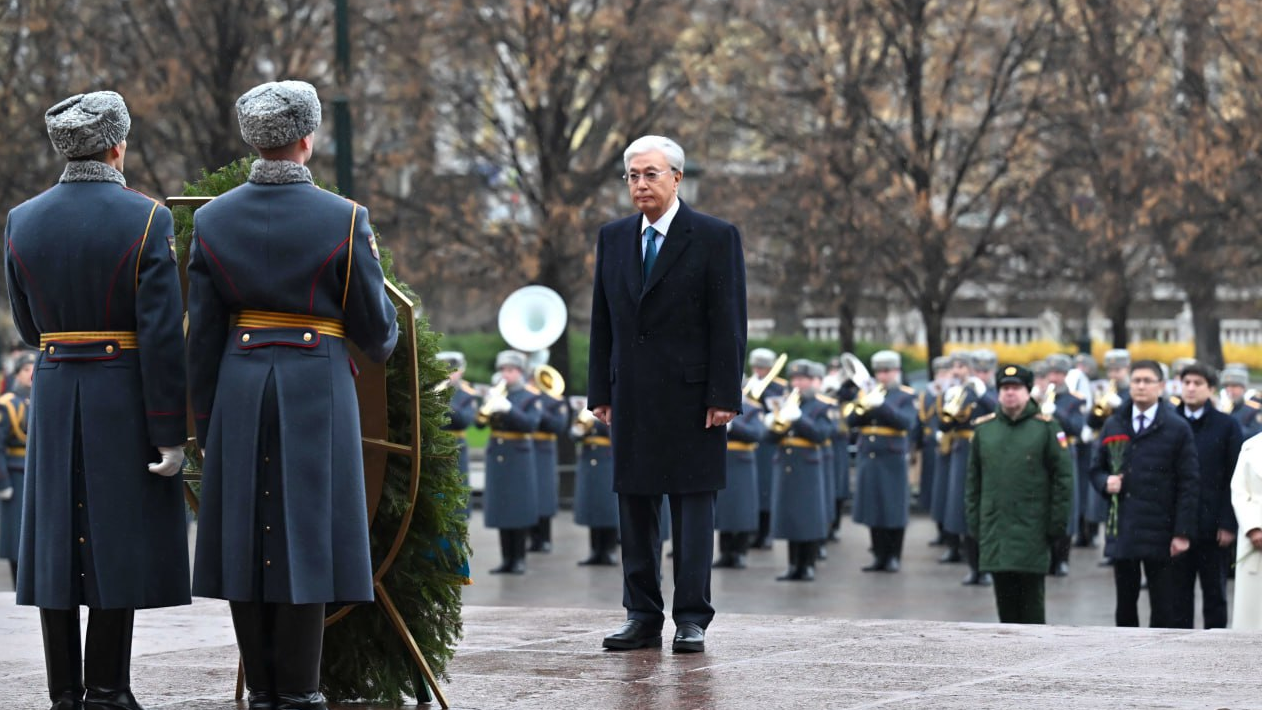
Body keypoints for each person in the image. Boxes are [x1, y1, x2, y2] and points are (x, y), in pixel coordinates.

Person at [188, 80, 400, 710]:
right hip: (316, 384)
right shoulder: (344, 217)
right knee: (308, 533)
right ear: (307, 138)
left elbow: (202, 338)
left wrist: (205, 424)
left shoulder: (211, 218)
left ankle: (262, 690)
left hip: (240, 382)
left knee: (245, 540)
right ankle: (302, 691)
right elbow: (377, 332)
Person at [6, 90, 190, 710]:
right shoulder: (147, 218)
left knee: (57, 542)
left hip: (55, 385)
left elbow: (29, 329)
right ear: (118, 145)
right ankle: (109, 688)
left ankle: (64, 693)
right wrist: (171, 429)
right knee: (118, 539)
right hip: (122, 390)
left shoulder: (21, 219)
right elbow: (163, 333)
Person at [587, 134, 746, 654]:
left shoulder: (715, 237)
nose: (640, 184)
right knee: (634, 510)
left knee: (692, 512)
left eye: (651, 174)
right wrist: (599, 393)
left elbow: (729, 322)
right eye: (633, 175)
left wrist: (725, 394)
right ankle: (642, 614)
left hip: (693, 399)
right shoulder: (613, 238)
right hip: (630, 397)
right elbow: (602, 322)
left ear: (677, 178)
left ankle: (693, 617)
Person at [1090, 359, 1199, 628]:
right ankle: (1124, 663)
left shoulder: (1176, 427)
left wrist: (1182, 532)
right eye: (1136, 380)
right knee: (1125, 605)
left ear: (1161, 386)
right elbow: (1095, 468)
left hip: (1160, 530)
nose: (1140, 386)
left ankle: (1158, 662)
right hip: (1124, 528)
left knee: (1163, 605)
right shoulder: (1115, 423)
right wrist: (1106, 482)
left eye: (1147, 381)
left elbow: (1189, 482)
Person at [966, 365, 1073, 623]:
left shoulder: (1046, 429)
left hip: (1032, 528)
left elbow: (1063, 481)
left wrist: (1056, 525)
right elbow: (973, 483)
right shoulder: (985, 430)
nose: (1009, 393)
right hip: (996, 528)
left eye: (1016, 388)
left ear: (1028, 393)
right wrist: (975, 526)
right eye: (1004, 388)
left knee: (1032, 608)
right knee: (1005, 607)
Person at [1171, 363, 1241, 629]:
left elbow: (1234, 477)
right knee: (1177, 596)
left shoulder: (1227, 425)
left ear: (1210, 389)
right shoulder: (1170, 420)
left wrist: (1228, 523)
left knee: (1215, 595)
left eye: (1197, 383)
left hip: (1213, 526)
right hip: (1177, 525)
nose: (1190, 388)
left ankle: (1215, 648)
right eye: (1186, 382)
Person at [848, 350, 917, 573]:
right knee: (873, 507)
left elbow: (906, 423)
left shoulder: (906, 395)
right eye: (878, 371)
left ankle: (894, 556)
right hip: (869, 455)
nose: (882, 376)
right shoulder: (865, 393)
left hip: (892, 457)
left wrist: (881, 406)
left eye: (886, 371)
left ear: (897, 371)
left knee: (893, 508)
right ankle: (878, 555)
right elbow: (850, 421)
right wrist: (865, 403)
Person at [764, 360, 832, 581]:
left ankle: (808, 565)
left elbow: (821, 434)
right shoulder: (784, 402)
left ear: (813, 381)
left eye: (802, 379)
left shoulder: (822, 405)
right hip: (786, 464)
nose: (797, 383)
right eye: (794, 379)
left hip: (809, 465)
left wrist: (799, 419)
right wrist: (773, 422)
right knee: (791, 517)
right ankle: (793, 565)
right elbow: (770, 439)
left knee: (809, 518)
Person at [477, 351, 542, 574]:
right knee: (502, 507)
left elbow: (530, 425)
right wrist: (489, 404)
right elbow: (478, 424)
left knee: (518, 507)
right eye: (503, 369)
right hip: (497, 455)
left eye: (510, 370)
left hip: (519, 456)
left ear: (520, 372)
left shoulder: (530, 396)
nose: (506, 374)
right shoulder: (497, 393)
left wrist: (508, 409)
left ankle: (519, 559)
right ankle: (506, 559)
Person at [1042, 354, 1086, 577]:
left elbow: (1077, 428)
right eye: (1050, 373)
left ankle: (1062, 559)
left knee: (1067, 505)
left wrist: (1056, 411)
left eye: (1058, 373)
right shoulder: (1037, 397)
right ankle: (1046, 556)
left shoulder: (1073, 400)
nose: (1053, 378)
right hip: (1041, 455)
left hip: (1065, 453)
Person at [713, 395, 765, 569]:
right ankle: (725, 553)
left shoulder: (752, 409)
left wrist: (735, 426)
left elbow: (757, 434)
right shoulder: (715, 405)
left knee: (743, 510)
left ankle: (740, 552)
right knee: (724, 510)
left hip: (743, 463)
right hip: (722, 459)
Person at [745, 348, 784, 549]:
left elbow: (780, 412)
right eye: (755, 367)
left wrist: (764, 390)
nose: (758, 370)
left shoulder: (778, 387)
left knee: (766, 489)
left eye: (762, 367)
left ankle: (766, 533)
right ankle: (752, 532)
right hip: (751, 444)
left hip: (769, 444)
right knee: (753, 490)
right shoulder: (748, 384)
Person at [0, 352, 33, 586]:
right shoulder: (7, 405)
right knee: (15, 539)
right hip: (15, 474)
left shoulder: (35, 400)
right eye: (25, 370)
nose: (31, 374)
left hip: (33, 473)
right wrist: (3, 482)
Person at [571, 405, 619, 566]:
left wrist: (598, 422)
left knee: (608, 508)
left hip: (607, 461)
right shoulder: (587, 408)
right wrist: (578, 429)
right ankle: (595, 550)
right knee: (592, 507)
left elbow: (616, 434)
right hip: (589, 461)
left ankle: (609, 550)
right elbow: (573, 435)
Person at [529, 361, 569, 553]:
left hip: (545, 449)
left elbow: (559, 426)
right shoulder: (529, 398)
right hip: (529, 447)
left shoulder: (556, 401)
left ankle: (544, 538)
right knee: (529, 493)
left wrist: (540, 411)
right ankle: (531, 537)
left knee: (544, 493)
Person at [437, 351, 479, 517]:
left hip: (457, 450)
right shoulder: (431, 390)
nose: (448, 375)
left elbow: (465, 421)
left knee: (458, 494)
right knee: (438, 495)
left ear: (460, 372)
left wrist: (445, 401)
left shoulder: (467, 395)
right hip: (436, 448)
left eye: (452, 371)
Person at [1231, 434, 1262, 630]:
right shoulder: (1251, 446)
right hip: (1255, 533)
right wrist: (1253, 528)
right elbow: (1239, 491)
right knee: (1252, 611)